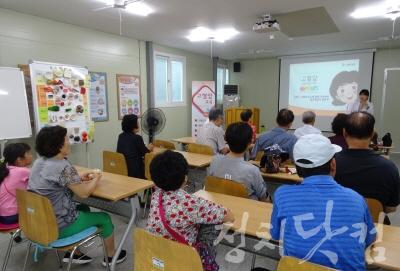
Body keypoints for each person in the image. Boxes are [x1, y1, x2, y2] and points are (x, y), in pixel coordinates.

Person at [269, 134, 376, 271]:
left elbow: (275, 235)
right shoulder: (356, 199)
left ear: (297, 167)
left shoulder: (282, 195)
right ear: (333, 164)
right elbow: (370, 239)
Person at [29, 126, 127, 266]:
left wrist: (77, 177)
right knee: (104, 218)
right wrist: (97, 177)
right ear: (58, 145)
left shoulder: (39, 162)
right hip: (56, 228)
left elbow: (54, 180)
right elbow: (84, 193)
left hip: (37, 223)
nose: (69, 142)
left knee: (83, 208)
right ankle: (111, 256)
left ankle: (74, 254)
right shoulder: (62, 166)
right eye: (66, 140)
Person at [146, 150, 234, 271]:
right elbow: (229, 216)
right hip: (184, 261)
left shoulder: (156, 195)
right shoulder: (190, 203)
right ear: (185, 178)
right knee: (212, 225)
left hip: (156, 258)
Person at [335, 112, 400, 223]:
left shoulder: (331, 163)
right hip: (374, 227)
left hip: (336, 223)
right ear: (372, 134)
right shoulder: (389, 168)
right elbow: (391, 208)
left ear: (344, 132)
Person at [208, 122, 268, 201]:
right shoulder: (253, 171)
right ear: (249, 143)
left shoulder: (214, 161)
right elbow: (264, 197)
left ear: (226, 140)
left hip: (220, 206)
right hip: (246, 211)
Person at [0, 143, 32, 225]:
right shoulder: (22, 172)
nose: (31, 155)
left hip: (3, 215)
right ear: (19, 160)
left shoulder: (6, 169)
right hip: (11, 216)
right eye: (28, 153)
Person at [117, 114, 154, 178]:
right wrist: (149, 148)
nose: (139, 125)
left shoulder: (121, 136)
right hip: (136, 171)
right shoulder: (137, 138)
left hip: (123, 168)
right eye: (137, 123)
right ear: (133, 125)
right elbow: (144, 153)